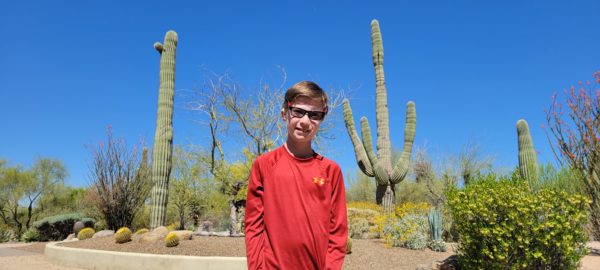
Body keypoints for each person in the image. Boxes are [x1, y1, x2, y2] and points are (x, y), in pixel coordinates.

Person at [244, 81, 348, 270]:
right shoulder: (264, 165)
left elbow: (338, 231)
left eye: (315, 115)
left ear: (321, 120)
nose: (305, 121)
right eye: (298, 111)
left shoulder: (331, 171)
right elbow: (253, 227)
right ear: (285, 113)